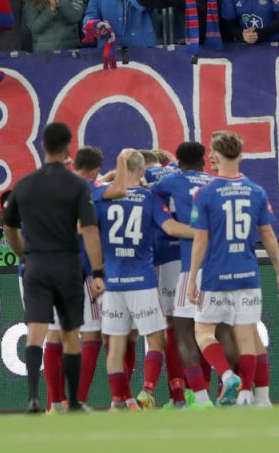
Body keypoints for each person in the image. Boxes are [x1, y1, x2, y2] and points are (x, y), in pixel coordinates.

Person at [2, 121, 107, 414]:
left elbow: (8, 226)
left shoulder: (25, 184)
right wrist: (97, 272)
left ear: (43, 146)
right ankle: (73, 402)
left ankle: (35, 398)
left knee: (38, 332)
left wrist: (23, 255)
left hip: (35, 264)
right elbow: (89, 230)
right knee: (71, 333)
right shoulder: (77, 185)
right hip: (66, 265)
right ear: (68, 147)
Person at [186, 130, 279, 407]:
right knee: (247, 337)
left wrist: (192, 277)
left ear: (218, 156)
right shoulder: (256, 191)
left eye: (212, 152)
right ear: (240, 156)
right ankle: (252, 396)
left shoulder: (206, 193)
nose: (210, 156)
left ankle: (227, 375)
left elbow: (200, 240)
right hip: (248, 275)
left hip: (216, 276)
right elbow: (268, 235)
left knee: (203, 331)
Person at [93, 149, 191, 410]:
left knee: (116, 345)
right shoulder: (148, 197)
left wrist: (113, 173)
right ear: (143, 171)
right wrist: (201, 232)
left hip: (113, 282)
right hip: (143, 281)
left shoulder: (101, 196)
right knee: (157, 339)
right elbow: (170, 228)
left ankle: (117, 401)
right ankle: (147, 391)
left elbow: (94, 190)